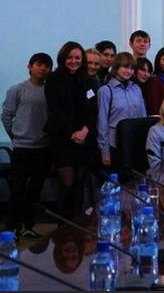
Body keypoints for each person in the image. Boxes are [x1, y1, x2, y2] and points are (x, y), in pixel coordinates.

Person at [44, 41, 99, 218]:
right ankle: (63, 226)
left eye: (77, 58)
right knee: (66, 186)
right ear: (63, 58)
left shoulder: (89, 81)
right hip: (62, 139)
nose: (74, 61)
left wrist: (84, 131)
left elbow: (93, 110)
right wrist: (72, 133)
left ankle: (77, 225)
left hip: (84, 138)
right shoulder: (53, 79)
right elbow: (56, 110)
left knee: (79, 184)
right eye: (70, 57)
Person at [1, 52, 53, 239]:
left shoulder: (51, 91)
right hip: (23, 148)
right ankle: (12, 228)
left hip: (44, 147)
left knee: (35, 189)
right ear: (30, 67)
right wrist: (15, 136)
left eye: (47, 65)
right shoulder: (17, 89)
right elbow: (7, 116)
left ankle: (28, 225)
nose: (43, 68)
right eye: (39, 64)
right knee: (18, 189)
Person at [96, 53, 147, 167]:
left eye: (131, 68)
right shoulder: (105, 91)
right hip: (114, 144)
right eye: (125, 67)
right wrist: (104, 150)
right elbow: (102, 122)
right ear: (116, 67)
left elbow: (143, 117)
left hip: (135, 143)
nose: (129, 71)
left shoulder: (136, 89)